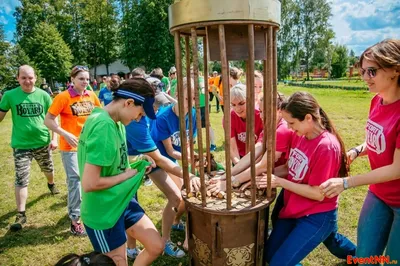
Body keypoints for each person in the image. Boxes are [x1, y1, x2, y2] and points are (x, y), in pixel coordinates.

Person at [320, 39, 400, 262]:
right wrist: (356, 151)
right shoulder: (376, 101)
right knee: (365, 256)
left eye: (372, 71)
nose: (365, 77)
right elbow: (376, 141)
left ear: (395, 69)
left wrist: (346, 182)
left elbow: (397, 169)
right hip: (379, 194)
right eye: (363, 71)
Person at [258, 91, 355, 266]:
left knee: (279, 263)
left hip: (316, 215)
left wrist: (279, 182)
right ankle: (359, 256)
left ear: (308, 118)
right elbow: (289, 168)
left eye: (292, 123)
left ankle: (363, 257)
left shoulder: (326, 146)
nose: (288, 128)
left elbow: (318, 194)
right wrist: (261, 175)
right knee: (270, 255)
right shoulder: (301, 135)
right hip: (294, 209)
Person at [78, 78, 164, 266]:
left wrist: (138, 163)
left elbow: (114, 164)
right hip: (103, 212)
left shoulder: (114, 121)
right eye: (140, 114)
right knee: (118, 262)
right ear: (129, 103)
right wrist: (128, 175)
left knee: (156, 245)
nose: (139, 119)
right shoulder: (104, 126)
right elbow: (90, 183)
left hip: (121, 201)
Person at [125, 77, 200, 258]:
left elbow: (188, 143)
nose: (191, 103)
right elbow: (164, 154)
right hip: (155, 160)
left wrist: (191, 158)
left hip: (154, 159)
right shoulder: (158, 119)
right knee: (176, 196)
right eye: (187, 99)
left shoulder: (193, 115)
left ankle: (173, 224)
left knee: (182, 196)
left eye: (194, 99)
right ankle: (164, 240)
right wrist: (188, 171)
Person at [0, 65, 59, 232]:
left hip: (42, 142)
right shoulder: (9, 95)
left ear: (36, 78)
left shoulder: (44, 95)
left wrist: (54, 139)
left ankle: (51, 183)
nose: (27, 81)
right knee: (21, 178)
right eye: (23, 78)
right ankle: (21, 214)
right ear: (18, 78)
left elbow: (54, 119)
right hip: (21, 145)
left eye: (30, 77)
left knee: (48, 169)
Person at [44, 65, 101, 236]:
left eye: (87, 79)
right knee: (75, 180)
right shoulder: (63, 97)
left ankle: (90, 211)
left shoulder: (91, 95)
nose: (85, 82)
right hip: (70, 147)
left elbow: (100, 114)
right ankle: (75, 220)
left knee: (91, 179)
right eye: (81, 79)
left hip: (90, 146)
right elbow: (48, 120)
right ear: (72, 80)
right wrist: (64, 134)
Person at [228, 84, 263, 165]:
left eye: (241, 103)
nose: (237, 108)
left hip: (257, 157)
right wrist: (239, 165)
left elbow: (262, 146)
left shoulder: (260, 115)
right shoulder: (229, 118)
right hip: (239, 157)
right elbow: (232, 148)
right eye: (233, 105)